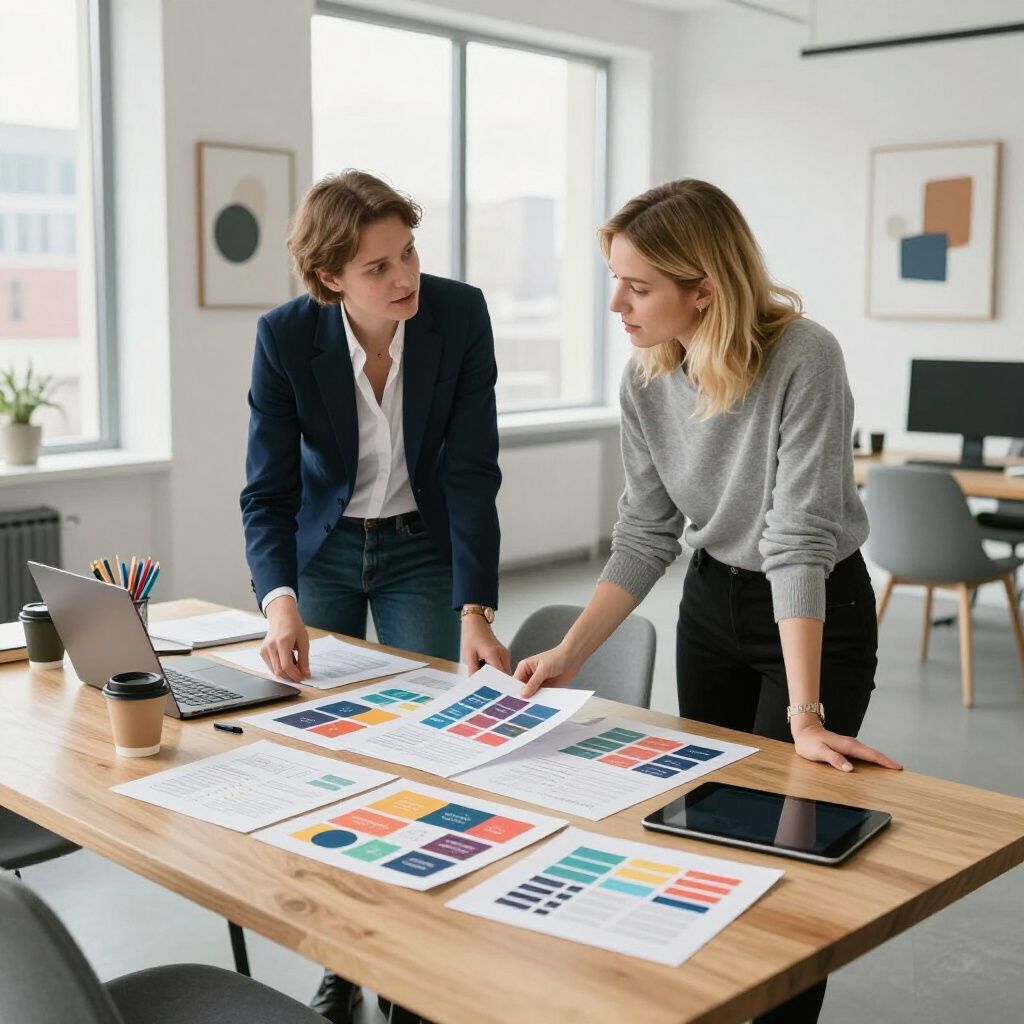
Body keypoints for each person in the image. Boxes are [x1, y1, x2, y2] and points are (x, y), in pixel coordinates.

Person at [514, 179, 901, 1024]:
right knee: (714, 831)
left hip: (813, 614)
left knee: (790, 849)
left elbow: (798, 538)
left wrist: (805, 712)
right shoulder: (644, 376)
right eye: (615, 279)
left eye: (638, 286)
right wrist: (571, 654)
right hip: (712, 606)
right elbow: (647, 531)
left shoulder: (806, 356)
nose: (615, 302)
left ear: (706, 289)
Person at [241, 169, 509, 1023]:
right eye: (378, 267)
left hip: (419, 551)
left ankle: (406, 970)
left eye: (410, 253)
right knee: (326, 762)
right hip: (322, 555)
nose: (406, 279)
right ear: (329, 278)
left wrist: (475, 606)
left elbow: (470, 474)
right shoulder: (285, 337)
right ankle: (340, 960)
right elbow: (267, 491)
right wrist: (277, 597)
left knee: (422, 756)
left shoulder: (458, 315)